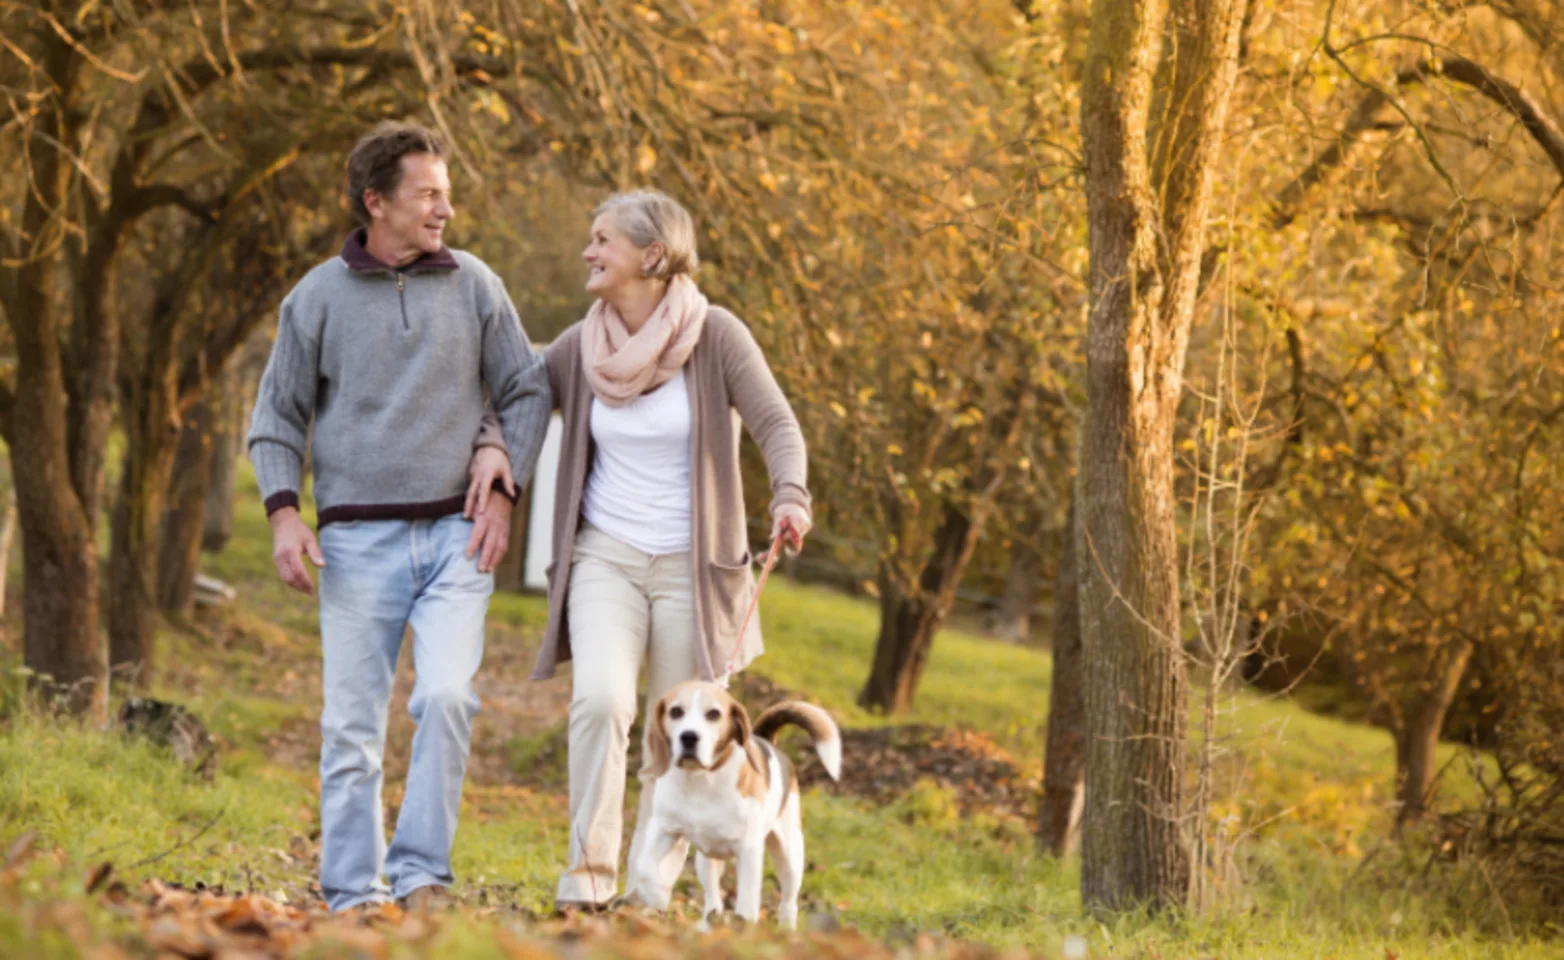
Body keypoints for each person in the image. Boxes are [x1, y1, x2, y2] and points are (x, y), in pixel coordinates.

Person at [475, 188, 812, 909]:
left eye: (603, 240)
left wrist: (790, 493)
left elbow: (777, 424)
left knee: (677, 727)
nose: (588, 252)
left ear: (652, 256)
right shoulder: (582, 345)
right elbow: (522, 399)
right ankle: (588, 877)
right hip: (606, 555)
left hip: (695, 569)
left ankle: (647, 886)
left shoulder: (716, 336)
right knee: (600, 702)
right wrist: (493, 452)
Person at [246, 121, 550, 913]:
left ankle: (421, 876)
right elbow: (276, 417)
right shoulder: (315, 298)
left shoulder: (477, 284)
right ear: (376, 201)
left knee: (448, 699)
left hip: (458, 535)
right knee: (351, 729)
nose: (445, 209)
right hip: (355, 544)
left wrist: (504, 478)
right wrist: (284, 516)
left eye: (447, 194)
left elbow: (527, 387)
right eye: (429, 195)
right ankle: (353, 893)